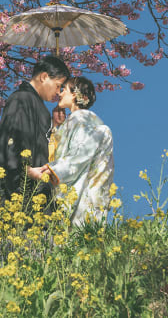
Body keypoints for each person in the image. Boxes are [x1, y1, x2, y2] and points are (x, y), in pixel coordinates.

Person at [31, 77, 114, 225]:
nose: (60, 94)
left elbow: (79, 154)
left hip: (80, 194)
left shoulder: (81, 120)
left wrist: (50, 170)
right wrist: (57, 128)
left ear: (75, 94)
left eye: (64, 90)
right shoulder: (79, 121)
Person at [0, 55, 70, 213]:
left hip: (37, 194)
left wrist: (55, 126)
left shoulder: (36, 104)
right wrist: (27, 171)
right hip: (18, 197)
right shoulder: (21, 99)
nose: (58, 92)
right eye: (58, 85)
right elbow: (9, 144)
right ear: (44, 77)